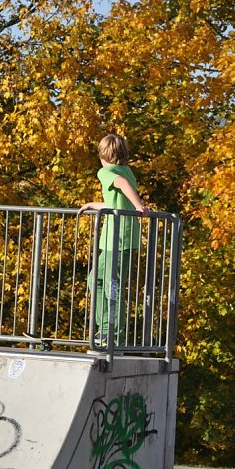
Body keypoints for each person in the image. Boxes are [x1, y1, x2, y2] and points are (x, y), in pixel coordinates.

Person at [78, 134, 149, 346]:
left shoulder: (107, 172)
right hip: (113, 239)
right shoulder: (125, 169)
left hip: (119, 238)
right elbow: (116, 202)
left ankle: (113, 334)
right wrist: (93, 204)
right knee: (95, 280)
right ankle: (104, 329)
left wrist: (139, 206)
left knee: (111, 285)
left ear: (103, 156)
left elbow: (122, 184)